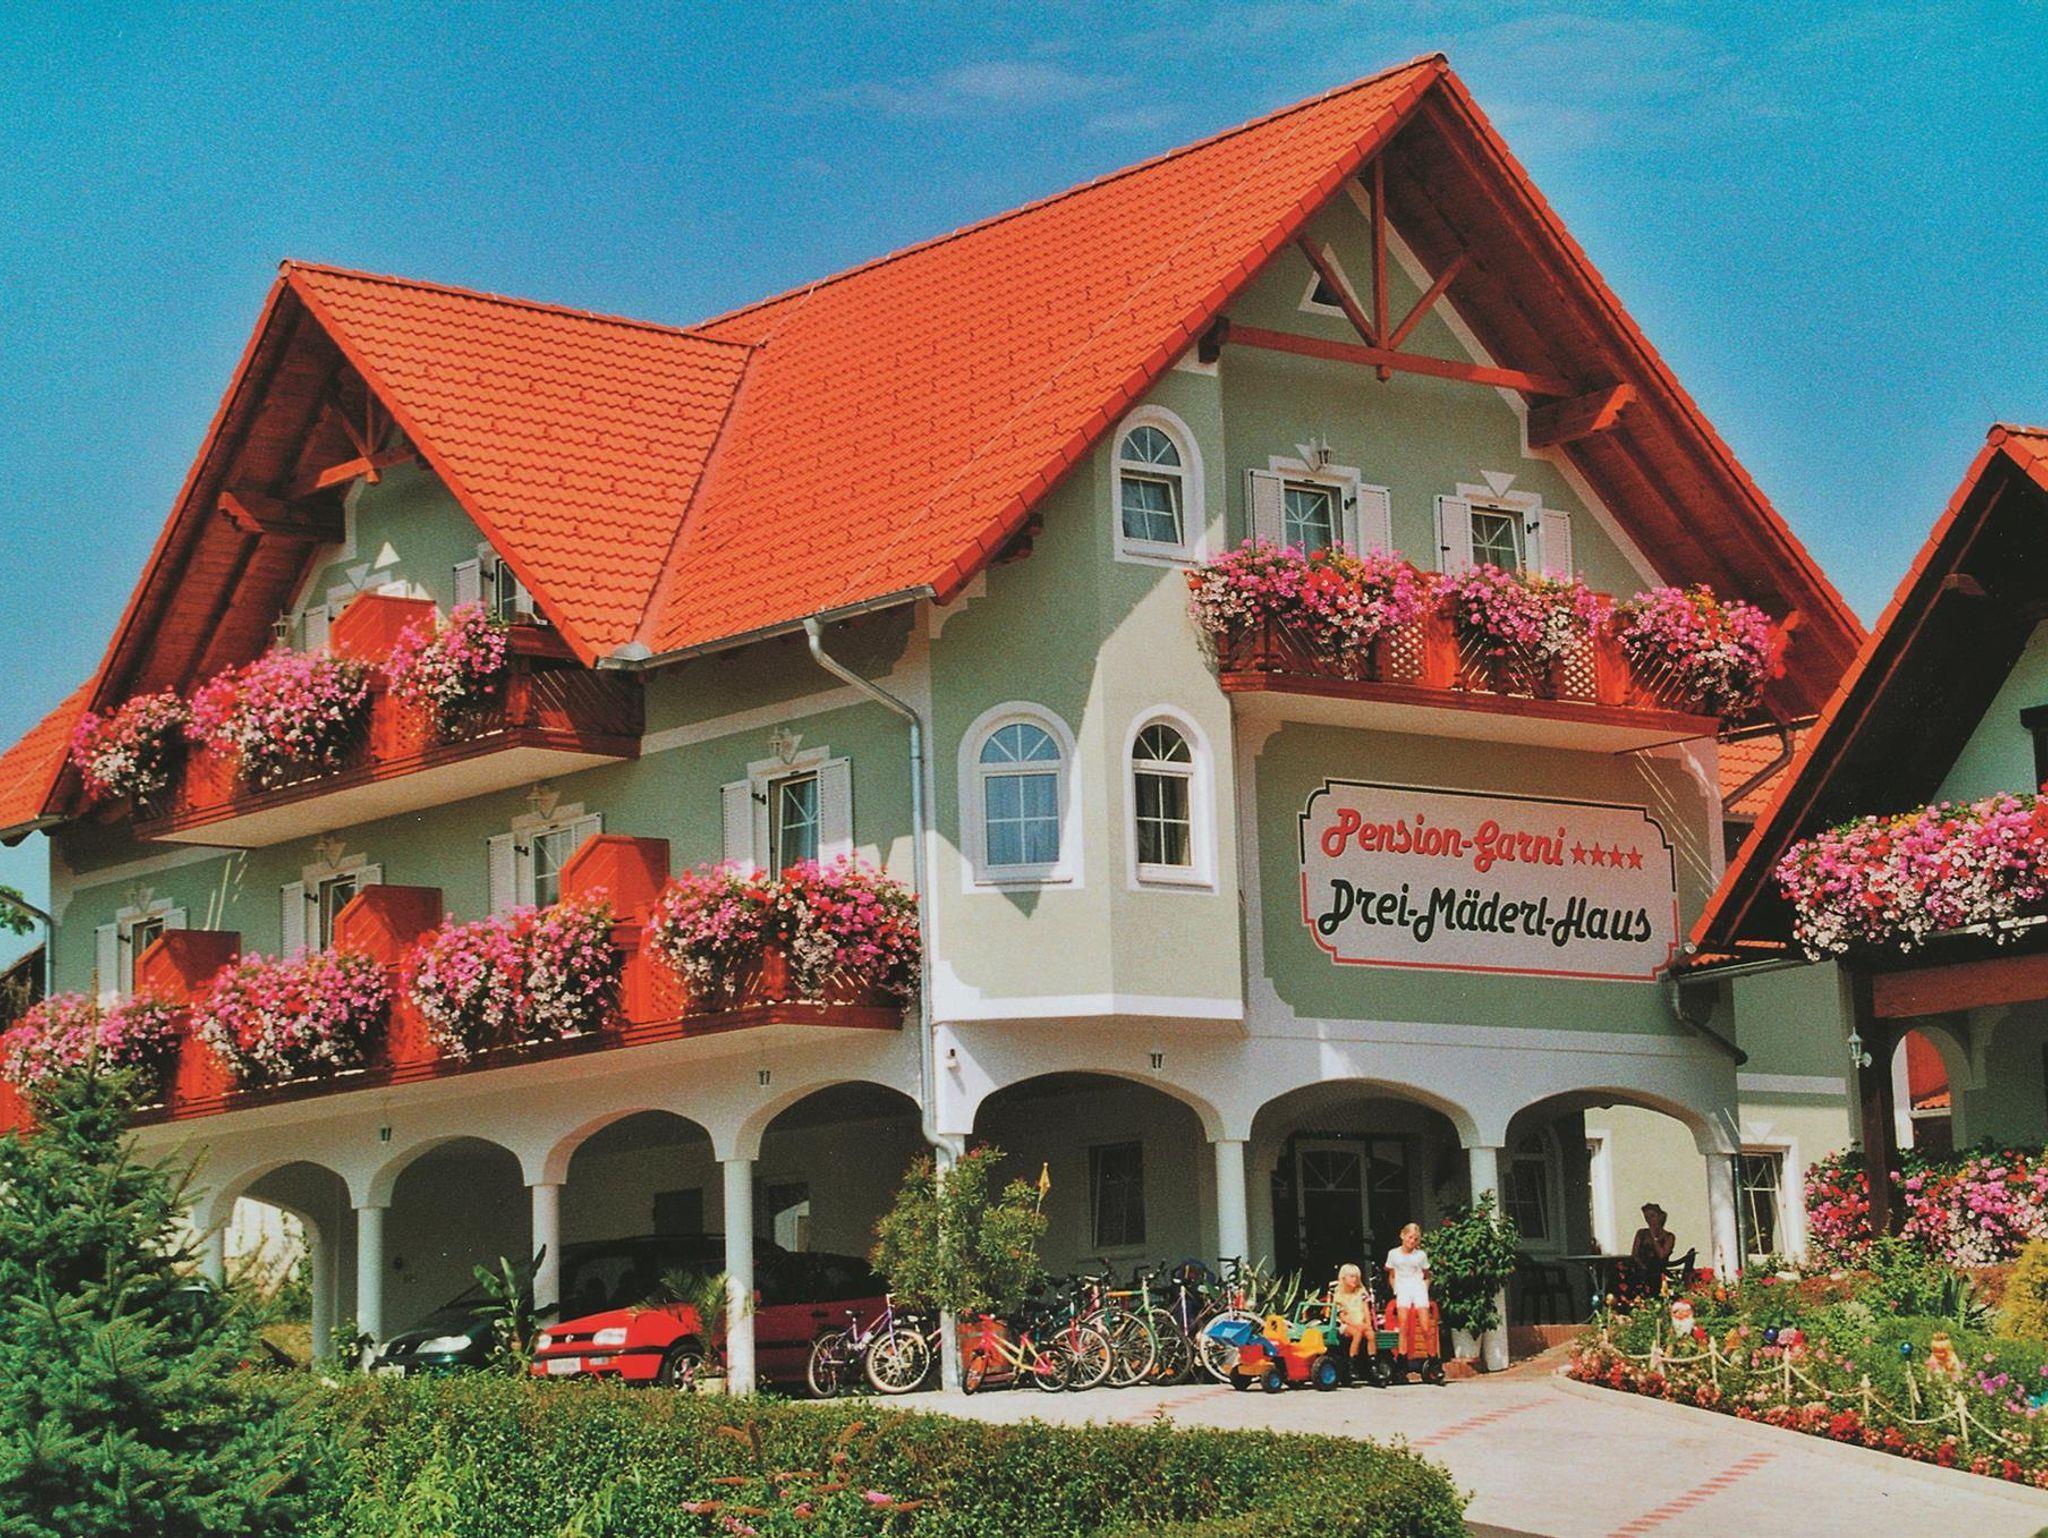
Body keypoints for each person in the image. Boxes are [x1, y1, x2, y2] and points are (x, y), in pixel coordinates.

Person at [1385, 1222, 1444, 1385]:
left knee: (1426, 1327)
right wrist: (1396, 1290)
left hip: (1417, 1287)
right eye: (1410, 1237)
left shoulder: (1421, 1255)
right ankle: (1401, 1366)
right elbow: (1392, 1275)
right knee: (1403, 1327)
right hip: (1403, 1288)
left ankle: (1434, 1363)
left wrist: (1424, 1289)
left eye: (1416, 1239)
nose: (1412, 1241)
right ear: (1402, 1235)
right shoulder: (1393, 1254)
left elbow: (1427, 1275)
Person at [1326, 1263, 1380, 1386]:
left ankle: (1373, 1365)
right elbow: (1342, 1316)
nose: (1354, 1279)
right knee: (1357, 1334)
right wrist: (1356, 1324)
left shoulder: (1361, 1292)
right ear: (1343, 1278)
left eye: (1356, 1277)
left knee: (1371, 1335)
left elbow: (1366, 1310)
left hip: (1360, 1322)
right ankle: (1351, 1365)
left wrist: (1368, 1323)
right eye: (1351, 1277)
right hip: (1346, 1324)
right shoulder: (1339, 1294)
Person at [1627, 1203, 1677, 1296]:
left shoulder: (1669, 1236)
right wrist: (1641, 1267)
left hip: (1657, 1272)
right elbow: (1634, 1254)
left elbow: (1662, 1255)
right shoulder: (1641, 1233)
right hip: (1640, 1270)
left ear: (1660, 1217)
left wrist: (1654, 1237)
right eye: (1647, 1217)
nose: (1650, 1220)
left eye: (1652, 1216)